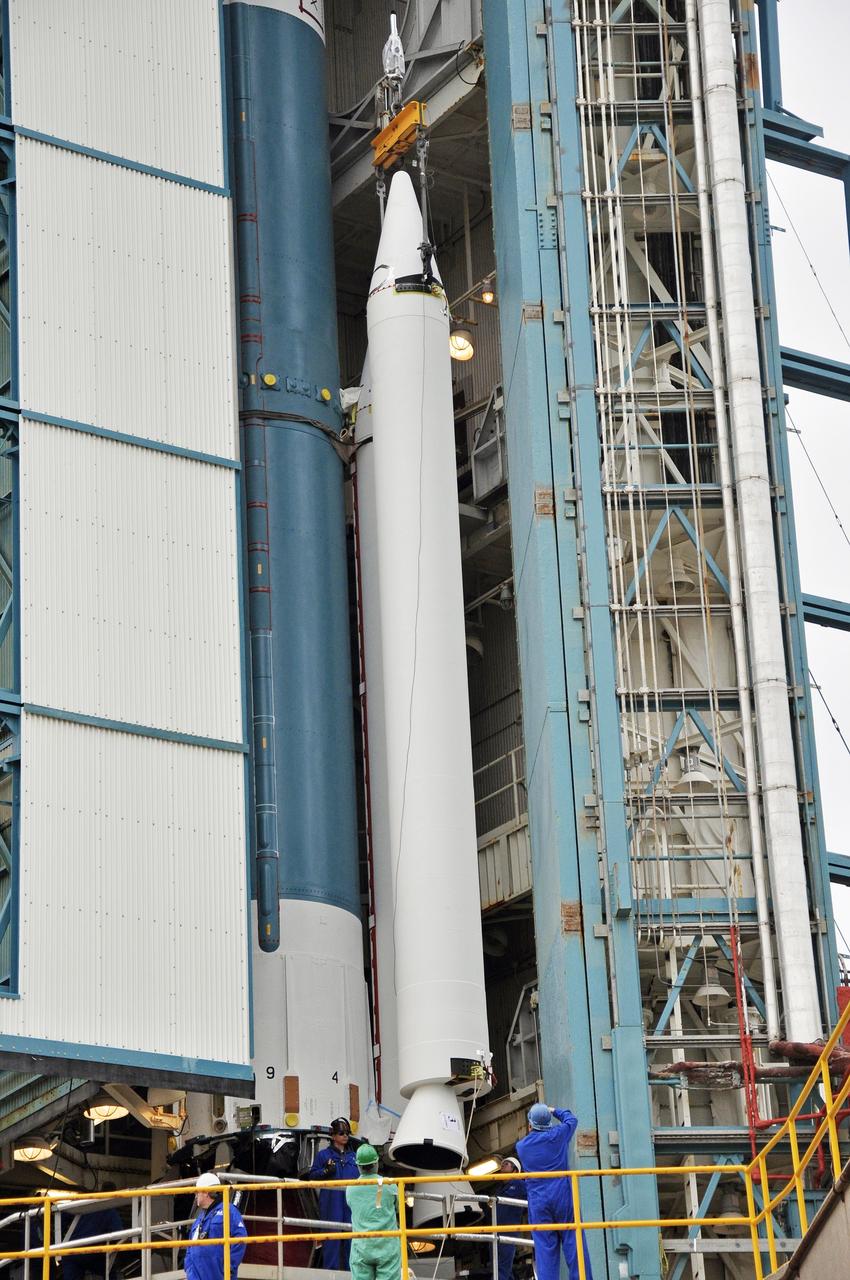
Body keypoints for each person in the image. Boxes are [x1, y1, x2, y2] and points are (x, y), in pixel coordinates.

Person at [515, 1104, 592, 1280]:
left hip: (538, 1200)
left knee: (545, 1249)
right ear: (548, 1122)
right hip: (562, 1195)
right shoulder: (558, 1135)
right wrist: (554, 1110)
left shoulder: (522, 1147)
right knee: (574, 1242)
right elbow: (572, 1119)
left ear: (530, 1125)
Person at [307, 1118, 359, 1269]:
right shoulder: (324, 1156)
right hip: (331, 1203)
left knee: (352, 1237)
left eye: (347, 1133)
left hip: (351, 1203)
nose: (345, 1136)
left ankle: (353, 1272)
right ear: (333, 1136)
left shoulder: (354, 1157)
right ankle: (331, 1273)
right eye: (341, 1133)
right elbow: (312, 1176)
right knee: (332, 1237)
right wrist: (325, 1172)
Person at [345, 1145, 399, 1280]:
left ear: (358, 1166)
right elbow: (397, 1208)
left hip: (362, 1247)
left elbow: (352, 1206)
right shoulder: (390, 1185)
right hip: (387, 1246)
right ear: (376, 1163)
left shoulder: (351, 1189)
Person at [185, 1173, 247, 1280]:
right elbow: (189, 1249)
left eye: (197, 1191)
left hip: (219, 1275)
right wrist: (190, 1270)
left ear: (206, 1192)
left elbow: (240, 1238)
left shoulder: (228, 1210)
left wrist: (228, 1268)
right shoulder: (198, 1220)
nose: (195, 1195)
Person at [492, 1157, 527, 1280]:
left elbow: (534, 1198)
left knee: (502, 1269)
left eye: (506, 1164)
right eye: (501, 1165)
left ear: (515, 1171)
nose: (502, 1167)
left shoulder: (520, 1185)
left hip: (508, 1233)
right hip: (495, 1232)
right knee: (499, 1268)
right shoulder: (499, 1189)